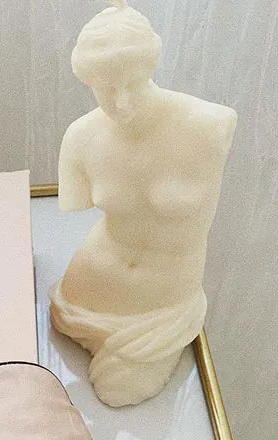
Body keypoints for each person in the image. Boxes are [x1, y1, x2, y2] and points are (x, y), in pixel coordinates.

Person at [50, 0, 237, 407]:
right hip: (85, 291)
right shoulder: (80, 138)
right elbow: (71, 206)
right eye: (105, 89)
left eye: (133, 84)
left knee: (117, 391)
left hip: (164, 303)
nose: (122, 103)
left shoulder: (210, 125)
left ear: (151, 66)